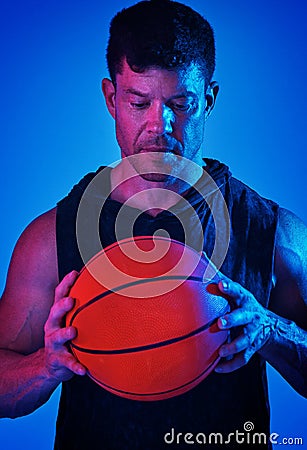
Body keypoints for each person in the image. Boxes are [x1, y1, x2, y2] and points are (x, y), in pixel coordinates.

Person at [0, 0, 306, 448]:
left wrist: (269, 328)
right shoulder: (51, 237)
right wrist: (44, 366)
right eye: (138, 101)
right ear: (111, 99)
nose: (157, 125)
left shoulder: (273, 233)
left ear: (208, 101)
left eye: (180, 104)